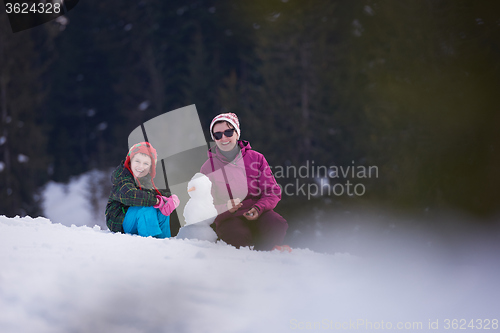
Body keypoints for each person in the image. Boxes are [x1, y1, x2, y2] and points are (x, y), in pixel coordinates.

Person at [200, 113, 289, 250]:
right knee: (238, 236)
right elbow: (205, 206)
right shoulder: (208, 167)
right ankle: (247, 260)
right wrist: (227, 207)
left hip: (259, 212)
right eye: (218, 135)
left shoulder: (257, 158)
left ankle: (269, 253)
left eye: (228, 132)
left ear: (237, 133)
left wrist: (258, 208)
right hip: (229, 219)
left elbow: (272, 192)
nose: (223, 138)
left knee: (277, 224)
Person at [105, 142, 179, 238]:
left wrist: (170, 198)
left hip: (135, 218)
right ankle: (150, 243)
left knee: (163, 209)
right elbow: (130, 195)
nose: (141, 166)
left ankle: (163, 241)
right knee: (147, 207)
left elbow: (153, 193)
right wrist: (156, 200)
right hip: (119, 220)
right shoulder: (122, 177)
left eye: (146, 164)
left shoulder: (144, 179)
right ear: (130, 161)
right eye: (137, 161)